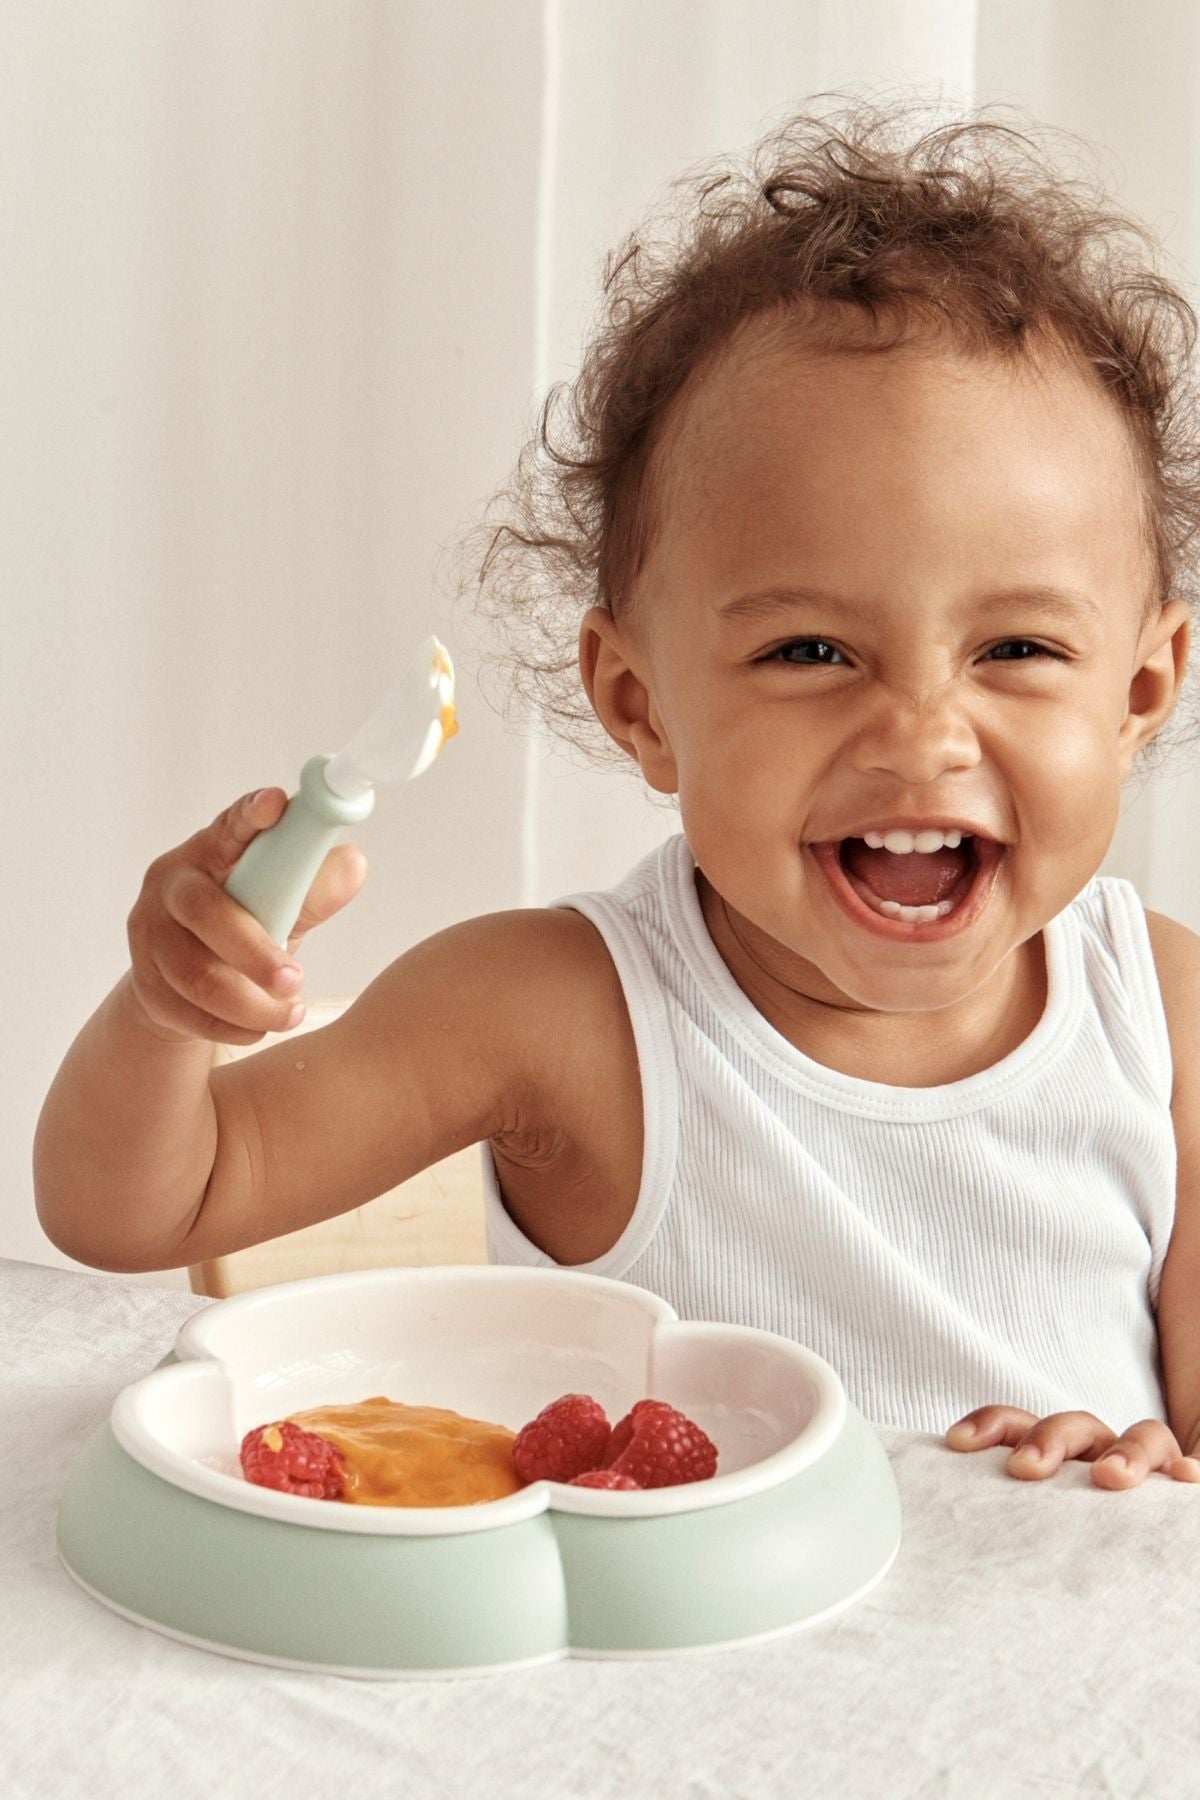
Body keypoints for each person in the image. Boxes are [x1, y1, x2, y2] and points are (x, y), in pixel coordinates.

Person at [34, 101, 1200, 1491]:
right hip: (666, 1693)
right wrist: (168, 1015)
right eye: (811, 651)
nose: (921, 733)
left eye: (1016, 649)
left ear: (1140, 691)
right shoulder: (559, 1014)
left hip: (1021, 1681)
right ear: (640, 703)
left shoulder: (1163, 1017)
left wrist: (1127, 1465)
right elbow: (140, 1207)